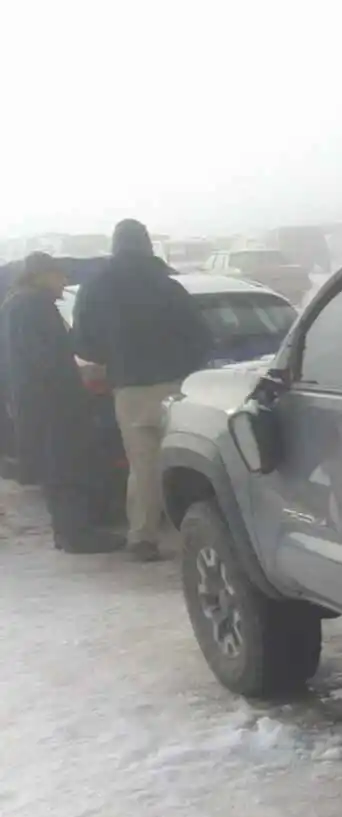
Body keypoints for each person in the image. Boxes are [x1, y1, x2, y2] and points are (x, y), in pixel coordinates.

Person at [71, 219, 212, 561]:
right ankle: (199, 533)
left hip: (131, 389)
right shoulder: (168, 286)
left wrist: (113, 358)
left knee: (143, 465)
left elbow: (82, 343)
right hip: (177, 386)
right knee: (185, 458)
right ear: (147, 245)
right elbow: (201, 336)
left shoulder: (96, 287)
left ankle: (143, 537)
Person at [0, 254, 124, 553]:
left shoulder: (21, 304)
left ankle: (71, 532)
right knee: (64, 468)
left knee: (61, 467)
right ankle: (75, 535)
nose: (64, 282)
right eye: (59, 276)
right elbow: (45, 357)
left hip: (40, 402)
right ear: (41, 275)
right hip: (51, 403)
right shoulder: (31, 307)